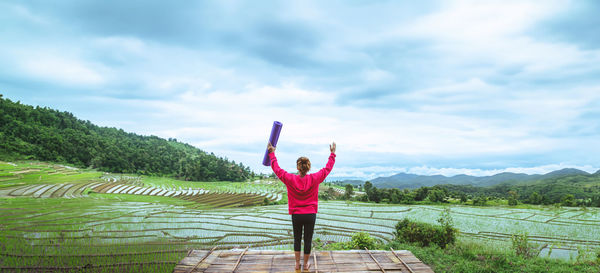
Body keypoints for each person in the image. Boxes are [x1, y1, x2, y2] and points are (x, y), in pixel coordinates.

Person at [267, 141, 336, 272]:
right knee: (308, 240)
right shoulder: (315, 178)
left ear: (298, 167)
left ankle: (297, 264)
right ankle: (305, 265)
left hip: (296, 214)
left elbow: (277, 169)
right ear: (308, 167)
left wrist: (272, 153)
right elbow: (327, 169)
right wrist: (332, 154)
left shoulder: (290, 178)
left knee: (297, 239)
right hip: (310, 214)